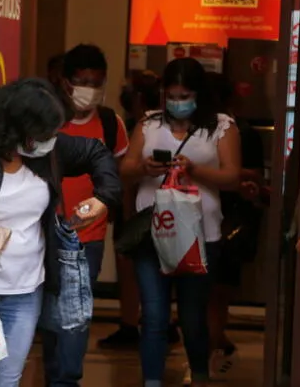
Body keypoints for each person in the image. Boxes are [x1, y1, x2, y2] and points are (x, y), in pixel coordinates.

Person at [0, 78, 122, 387]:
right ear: (17, 129)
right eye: (43, 134)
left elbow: (96, 152)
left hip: (24, 292)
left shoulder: (50, 151)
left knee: (5, 381)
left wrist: (103, 198)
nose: (51, 139)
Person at [120, 57, 241, 387]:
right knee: (155, 315)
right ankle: (152, 381)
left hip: (200, 235)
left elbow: (232, 176)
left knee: (192, 316)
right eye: (171, 95)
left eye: (184, 95)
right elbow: (125, 169)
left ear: (198, 94)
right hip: (152, 234)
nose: (177, 102)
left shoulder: (221, 126)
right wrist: (145, 168)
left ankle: (199, 376)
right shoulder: (148, 125)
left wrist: (195, 170)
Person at [41, 44, 128, 386]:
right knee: (51, 312)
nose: (89, 89)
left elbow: (118, 174)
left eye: (96, 82)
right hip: (45, 233)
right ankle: (55, 375)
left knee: (75, 313)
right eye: (82, 81)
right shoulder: (47, 119)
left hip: (88, 237)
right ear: (65, 81)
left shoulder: (109, 123)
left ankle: (67, 380)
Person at [180, 72, 265, 384]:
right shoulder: (188, 131)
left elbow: (253, 176)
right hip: (192, 219)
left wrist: (222, 170)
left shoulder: (241, 132)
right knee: (198, 299)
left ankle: (208, 354)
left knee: (215, 296)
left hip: (231, 223)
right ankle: (215, 349)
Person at [98, 70, 181, 349]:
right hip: (151, 211)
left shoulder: (140, 127)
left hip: (140, 212)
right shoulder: (146, 126)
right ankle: (154, 322)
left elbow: (125, 175)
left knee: (137, 269)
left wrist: (125, 213)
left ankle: (134, 323)